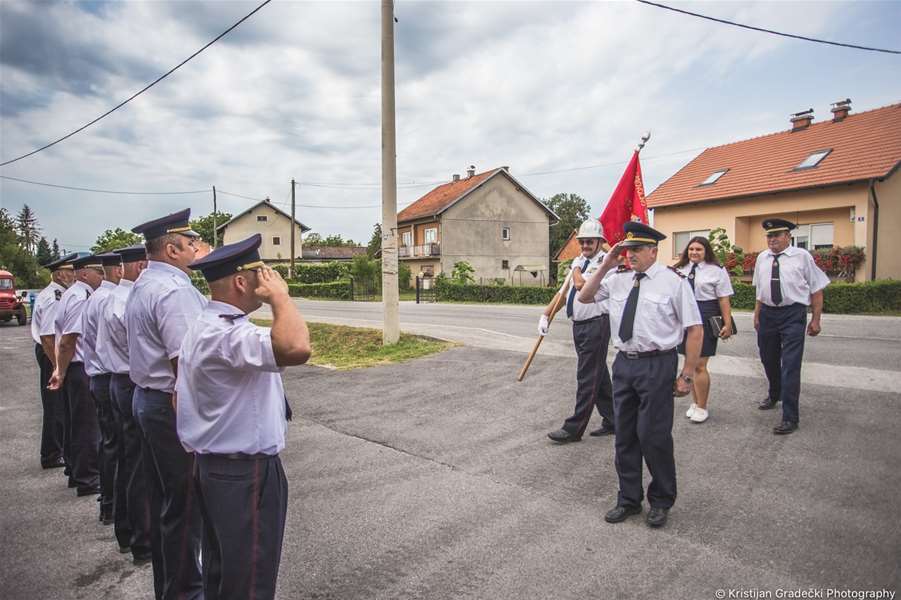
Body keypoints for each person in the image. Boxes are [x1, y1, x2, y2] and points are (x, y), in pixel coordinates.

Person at [178, 233, 311, 600]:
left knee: (224, 572)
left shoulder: (205, 326)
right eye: (260, 272)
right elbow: (297, 347)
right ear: (241, 281)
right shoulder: (225, 335)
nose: (266, 278)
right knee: (250, 579)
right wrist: (281, 297)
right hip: (244, 472)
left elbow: (179, 398)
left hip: (216, 466)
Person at [579, 222, 702, 528]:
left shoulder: (673, 282)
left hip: (657, 363)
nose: (629, 255)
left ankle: (661, 500)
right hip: (624, 364)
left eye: (636, 250)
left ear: (653, 251)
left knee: (654, 435)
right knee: (625, 435)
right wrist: (607, 262)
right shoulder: (617, 278)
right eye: (627, 249)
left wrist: (687, 374)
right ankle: (629, 499)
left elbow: (695, 328)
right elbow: (583, 297)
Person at [126, 209, 205, 600]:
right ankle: (186, 591)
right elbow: (186, 363)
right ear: (172, 249)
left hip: (147, 399)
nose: (197, 247)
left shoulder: (144, 283)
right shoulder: (174, 291)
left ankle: (170, 588)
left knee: (166, 503)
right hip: (168, 403)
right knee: (186, 507)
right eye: (191, 242)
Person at [101, 244, 154, 568]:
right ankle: (142, 539)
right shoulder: (128, 300)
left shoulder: (115, 298)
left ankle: (126, 529)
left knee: (126, 461)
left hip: (118, 380)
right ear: (138, 267)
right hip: (131, 381)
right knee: (139, 468)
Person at [540, 219, 615, 442]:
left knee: (586, 376)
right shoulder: (579, 261)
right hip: (579, 326)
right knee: (598, 375)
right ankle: (614, 420)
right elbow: (563, 294)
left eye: (589, 241)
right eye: (582, 241)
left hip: (597, 325)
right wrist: (546, 315)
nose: (584, 245)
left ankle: (574, 428)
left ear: (600, 241)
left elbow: (582, 286)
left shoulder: (606, 264)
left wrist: (574, 269)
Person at [752, 218, 829, 435]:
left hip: (792, 314)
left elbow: (816, 289)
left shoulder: (802, 256)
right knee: (768, 358)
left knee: (791, 365)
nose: (772, 239)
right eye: (769, 236)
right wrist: (757, 314)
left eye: (777, 235)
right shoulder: (762, 258)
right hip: (767, 314)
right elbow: (760, 290)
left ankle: (790, 417)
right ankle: (774, 393)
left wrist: (816, 319)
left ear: (788, 237)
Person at [48, 254, 104, 497]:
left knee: (76, 423)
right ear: (84, 274)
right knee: (86, 427)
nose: (101, 276)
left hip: (75, 367)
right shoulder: (80, 297)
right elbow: (68, 340)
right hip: (79, 367)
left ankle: (75, 470)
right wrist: (59, 370)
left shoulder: (74, 294)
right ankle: (87, 478)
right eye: (97, 271)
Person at [81, 252, 125, 531]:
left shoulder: (96, 298)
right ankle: (115, 509)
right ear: (118, 271)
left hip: (100, 376)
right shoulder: (110, 299)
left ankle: (109, 504)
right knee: (119, 448)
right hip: (109, 376)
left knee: (110, 444)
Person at [673, 236, 734, 424]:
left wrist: (728, 323)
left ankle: (702, 406)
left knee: (699, 364)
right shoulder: (679, 269)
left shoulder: (717, 270)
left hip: (705, 314)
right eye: (691, 249)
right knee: (689, 362)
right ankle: (695, 402)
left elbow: (723, 298)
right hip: (684, 316)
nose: (694, 252)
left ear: (706, 251)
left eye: (699, 249)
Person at [30, 253, 76, 470]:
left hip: (52, 351)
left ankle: (56, 450)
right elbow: (48, 338)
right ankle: (52, 453)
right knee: (55, 405)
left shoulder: (57, 293)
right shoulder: (54, 297)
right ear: (59, 274)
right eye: (70, 271)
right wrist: (58, 366)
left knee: (58, 405)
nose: (73, 275)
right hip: (52, 353)